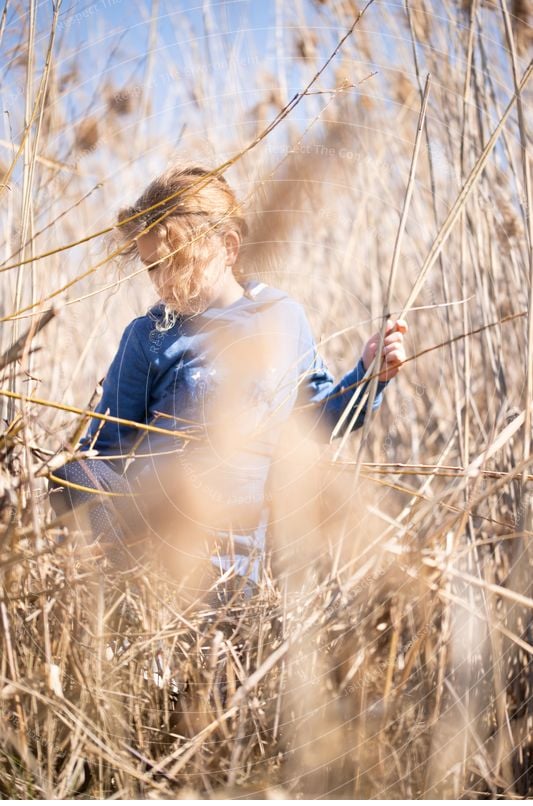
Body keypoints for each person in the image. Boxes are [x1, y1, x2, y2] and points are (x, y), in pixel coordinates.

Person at [48, 163, 407, 597]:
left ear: (229, 248)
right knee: (73, 473)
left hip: (227, 563)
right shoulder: (148, 336)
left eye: (174, 262)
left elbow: (317, 420)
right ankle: (130, 587)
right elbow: (103, 451)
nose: (163, 282)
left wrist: (370, 375)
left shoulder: (280, 317)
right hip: (150, 535)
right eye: (151, 268)